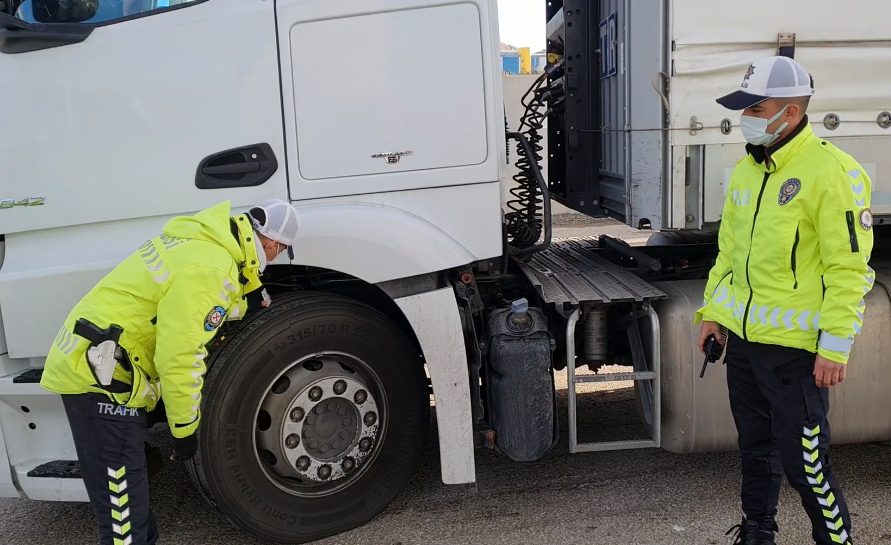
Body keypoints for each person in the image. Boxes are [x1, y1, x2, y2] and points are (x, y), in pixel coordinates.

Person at [40, 198, 300, 545]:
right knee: (123, 522)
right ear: (272, 243)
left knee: (131, 503)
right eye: (281, 251)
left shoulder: (206, 243)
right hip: (99, 378)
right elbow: (180, 357)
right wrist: (184, 429)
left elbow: (186, 306)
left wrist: (243, 303)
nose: (277, 257)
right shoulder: (212, 268)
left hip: (102, 360)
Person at [695, 56, 874, 545]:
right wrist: (713, 314)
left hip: (796, 353)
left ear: (791, 113)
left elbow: (850, 269)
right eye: (745, 107)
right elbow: (728, 253)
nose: (746, 116)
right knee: (754, 449)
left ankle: (836, 541)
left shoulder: (834, 173)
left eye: (757, 107)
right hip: (746, 345)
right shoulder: (746, 173)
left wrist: (835, 344)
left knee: (805, 464)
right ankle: (758, 532)